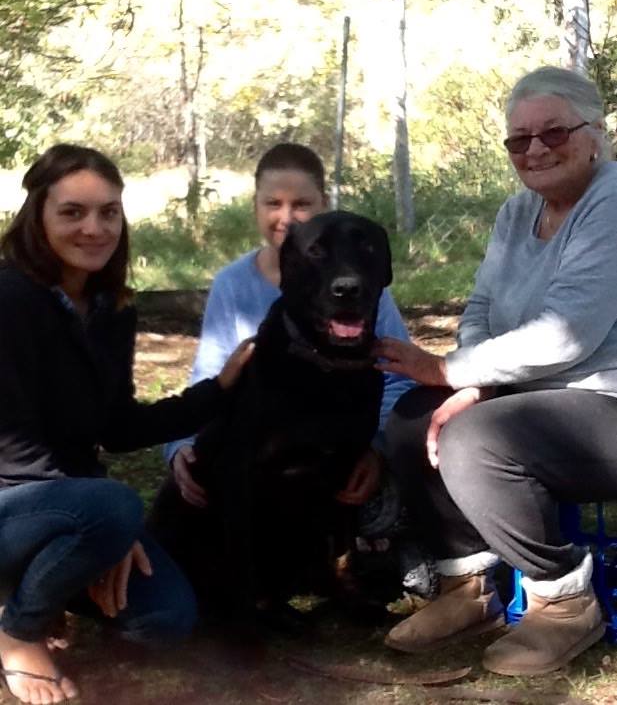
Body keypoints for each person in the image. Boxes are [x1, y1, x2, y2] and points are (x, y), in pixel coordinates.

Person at [374, 65, 617, 676]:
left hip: (604, 402)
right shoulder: (516, 213)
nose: (535, 150)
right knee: (412, 417)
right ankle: (469, 587)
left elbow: (567, 333)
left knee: (476, 438)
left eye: (554, 132)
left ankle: (563, 600)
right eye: (518, 139)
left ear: (595, 133)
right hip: (535, 397)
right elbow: (481, 307)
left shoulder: (611, 204)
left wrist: (450, 370)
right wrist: (472, 381)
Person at [0, 144, 253, 705]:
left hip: (69, 507)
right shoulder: (9, 299)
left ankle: (34, 586)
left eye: (108, 212)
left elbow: (117, 427)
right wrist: (107, 526)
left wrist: (219, 390)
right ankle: (17, 632)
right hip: (11, 501)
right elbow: (13, 452)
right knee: (115, 506)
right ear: (37, 216)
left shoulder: (111, 308)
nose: (94, 228)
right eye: (72, 212)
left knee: (165, 620)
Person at [164, 142, 414, 510]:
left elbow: (399, 376)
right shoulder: (232, 283)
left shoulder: (357, 286)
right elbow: (210, 376)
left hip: (339, 447)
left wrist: (375, 446)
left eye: (301, 204)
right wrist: (180, 445)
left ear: (323, 204)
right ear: (255, 206)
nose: (287, 217)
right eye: (273, 203)